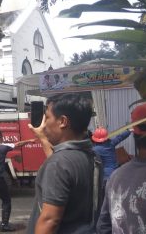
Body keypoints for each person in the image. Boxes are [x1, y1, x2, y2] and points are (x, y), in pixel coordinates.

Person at [27, 93, 103, 233]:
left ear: (62, 121)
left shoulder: (59, 164)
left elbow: (50, 220)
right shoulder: (92, 156)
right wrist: (43, 139)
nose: (43, 126)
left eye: (47, 117)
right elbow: (61, 164)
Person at [97, 101, 146, 233]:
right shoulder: (110, 144)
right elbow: (120, 137)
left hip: (110, 178)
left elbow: (103, 226)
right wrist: (128, 130)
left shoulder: (116, 176)